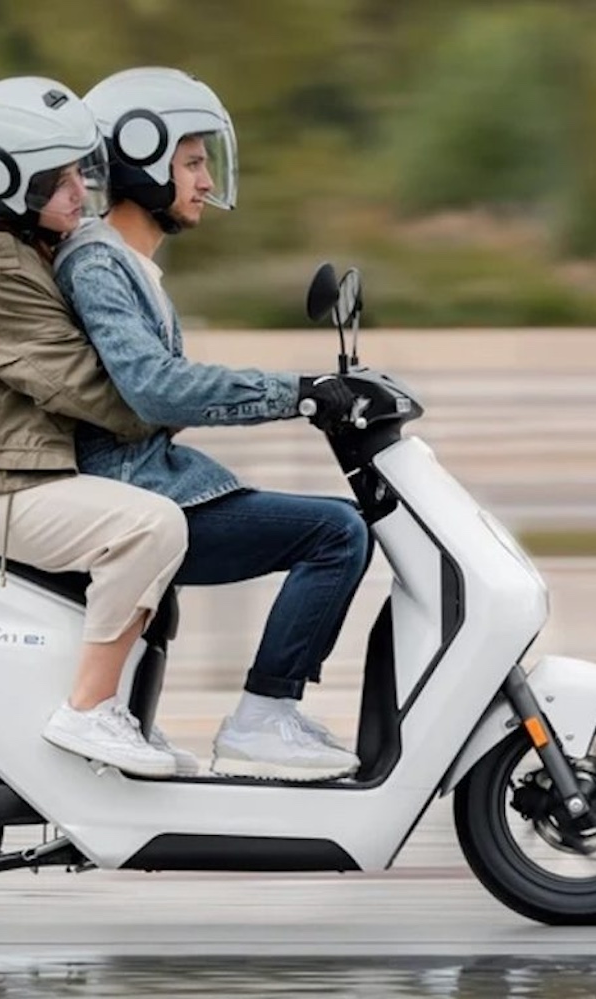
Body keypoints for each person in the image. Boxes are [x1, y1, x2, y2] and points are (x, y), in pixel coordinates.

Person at [55, 67, 370, 782]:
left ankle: (262, 714)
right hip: (134, 489)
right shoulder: (100, 262)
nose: (204, 181)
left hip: (152, 482)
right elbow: (156, 389)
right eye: (191, 162)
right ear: (140, 155)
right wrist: (297, 392)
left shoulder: (126, 263)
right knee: (337, 533)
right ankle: (263, 718)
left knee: (331, 524)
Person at [0, 76, 201, 778]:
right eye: (58, 178)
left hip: (14, 468)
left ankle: (119, 718)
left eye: (78, 170)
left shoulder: (15, 238)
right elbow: (95, 392)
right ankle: (88, 711)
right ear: (7, 181)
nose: (80, 191)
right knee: (152, 527)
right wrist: (188, 397)